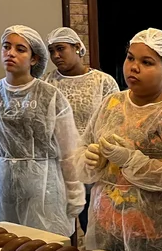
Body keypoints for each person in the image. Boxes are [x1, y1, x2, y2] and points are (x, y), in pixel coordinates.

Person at [0, 25, 85, 237]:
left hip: (42, 188)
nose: (10, 53)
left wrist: (74, 190)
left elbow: (68, 150)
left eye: (20, 49)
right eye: (6, 47)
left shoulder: (50, 96)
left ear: (34, 58)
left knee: (41, 247)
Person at [83, 28, 162, 251]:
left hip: (155, 231)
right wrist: (91, 158)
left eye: (146, 62)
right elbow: (85, 144)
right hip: (105, 224)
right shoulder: (112, 103)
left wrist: (131, 161)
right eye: (130, 58)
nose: (133, 67)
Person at [42, 26, 119, 233]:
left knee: (93, 226)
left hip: (92, 162)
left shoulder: (103, 82)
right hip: (58, 164)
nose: (56, 56)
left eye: (61, 49)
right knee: (58, 230)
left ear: (77, 47)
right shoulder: (47, 83)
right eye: (51, 51)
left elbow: (114, 120)